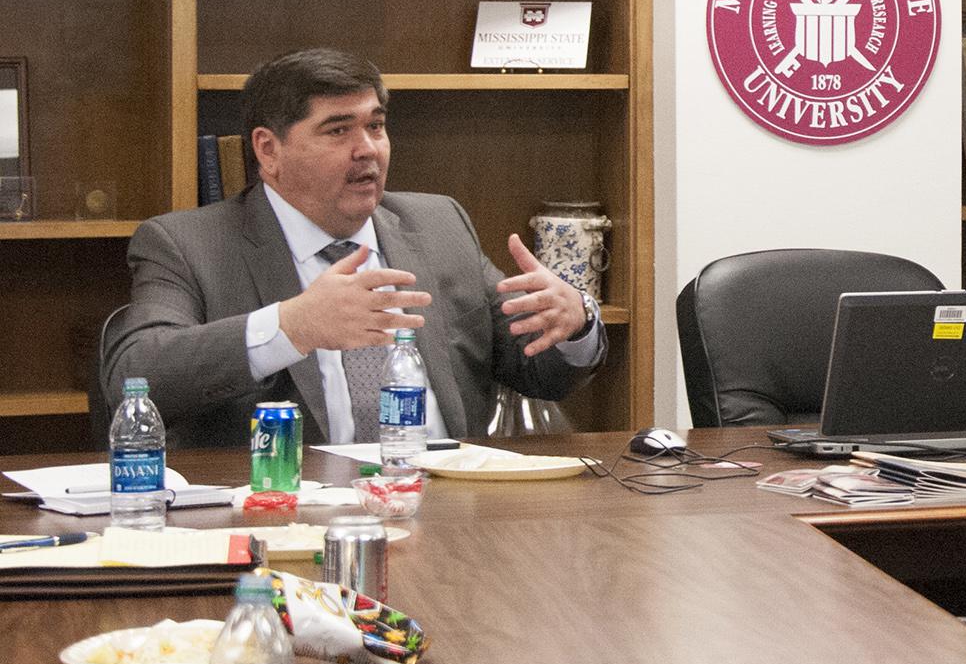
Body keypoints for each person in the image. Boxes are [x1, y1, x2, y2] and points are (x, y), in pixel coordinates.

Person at [103, 47, 602, 447]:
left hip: (444, 503)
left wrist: (574, 321)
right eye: (338, 129)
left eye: (376, 125)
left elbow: (540, 371)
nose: (367, 149)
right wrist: (292, 325)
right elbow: (137, 372)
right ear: (268, 150)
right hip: (287, 512)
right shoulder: (188, 245)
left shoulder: (437, 224)